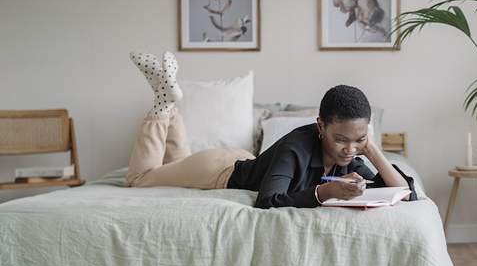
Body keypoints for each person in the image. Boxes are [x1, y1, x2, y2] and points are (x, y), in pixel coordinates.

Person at [126, 51, 417, 209]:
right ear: (320, 126)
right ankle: (162, 105)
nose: (349, 149)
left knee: (175, 166)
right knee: (141, 179)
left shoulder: (350, 157)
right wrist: (326, 192)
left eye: (359, 141)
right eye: (341, 139)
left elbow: (404, 194)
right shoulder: (297, 145)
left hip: (239, 158)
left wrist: (372, 148)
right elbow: (267, 201)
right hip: (217, 171)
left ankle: (170, 105)